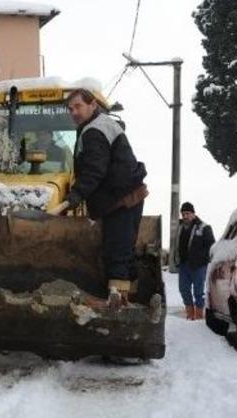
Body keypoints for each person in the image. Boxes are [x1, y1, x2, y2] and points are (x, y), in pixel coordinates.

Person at [60, 89, 148, 307]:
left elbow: (93, 171)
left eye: (78, 106)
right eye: (70, 109)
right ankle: (127, 299)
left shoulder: (94, 131)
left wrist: (73, 198)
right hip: (121, 197)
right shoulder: (99, 125)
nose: (74, 112)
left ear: (92, 105)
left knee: (116, 251)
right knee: (122, 251)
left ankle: (117, 307)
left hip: (120, 199)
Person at [173, 202, 215, 320]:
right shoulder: (179, 227)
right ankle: (190, 314)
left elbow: (211, 246)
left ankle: (199, 315)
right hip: (183, 265)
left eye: (187, 213)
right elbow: (175, 245)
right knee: (183, 289)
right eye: (183, 214)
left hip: (198, 266)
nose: (185, 216)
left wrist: (203, 259)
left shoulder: (204, 227)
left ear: (193, 214)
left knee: (198, 292)